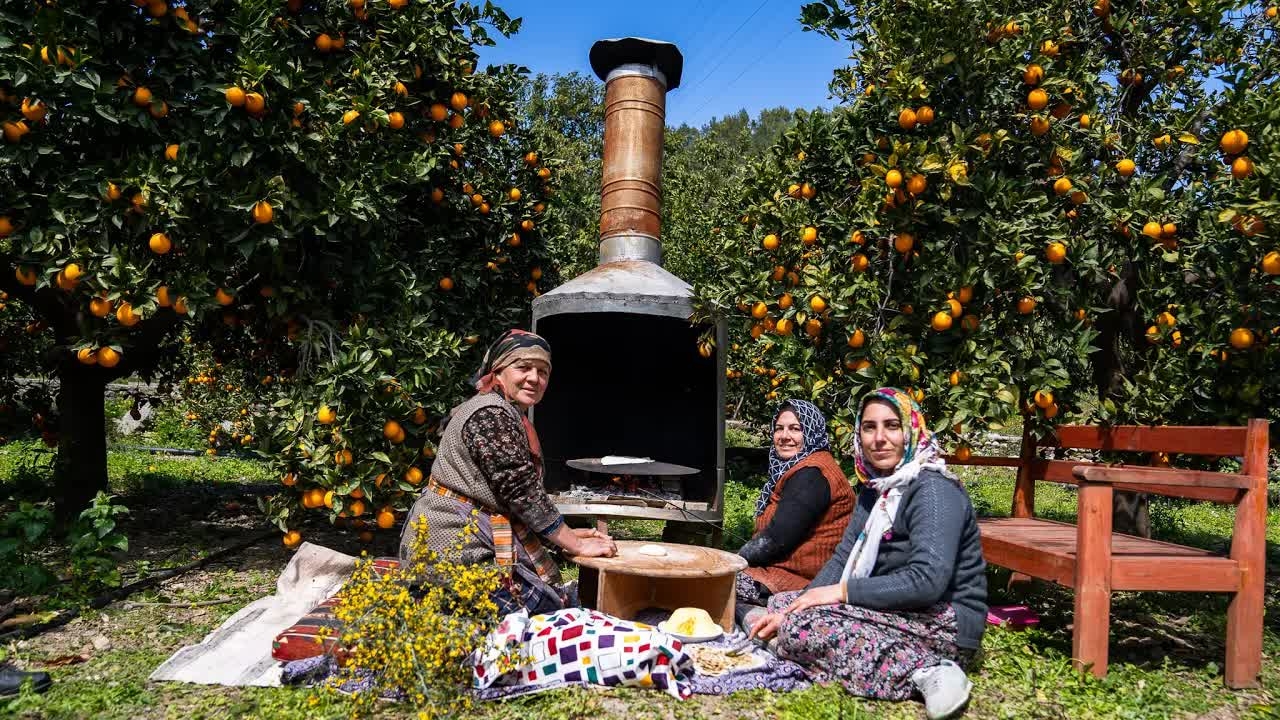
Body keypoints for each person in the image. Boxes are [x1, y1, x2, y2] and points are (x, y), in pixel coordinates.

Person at [749, 388, 987, 720]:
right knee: (783, 606)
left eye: (891, 426)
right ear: (859, 434)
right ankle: (808, 643)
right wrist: (797, 603)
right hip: (904, 611)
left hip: (942, 623)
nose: (879, 438)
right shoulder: (874, 490)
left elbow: (927, 581)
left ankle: (929, 669)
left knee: (800, 626)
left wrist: (838, 593)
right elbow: (843, 557)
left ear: (910, 430)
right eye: (869, 427)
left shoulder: (932, 489)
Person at [399, 329, 616, 615]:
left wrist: (565, 533)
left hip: (462, 544)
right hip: (454, 551)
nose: (534, 378)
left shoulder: (500, 410)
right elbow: (521, 493)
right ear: (498, 371)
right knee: (548, 615)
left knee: (553, 608)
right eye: (523, 367)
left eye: (543, 371)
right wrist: (574, 543)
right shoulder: (490, 414)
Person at [734, 399, 855, 631]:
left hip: (797, 581)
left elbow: (776, 540)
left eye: (795, 428)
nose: (784, 436)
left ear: (811, 432)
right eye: (779, 428)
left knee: (708, 581)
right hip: (778, 571)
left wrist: (733, 561)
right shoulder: (801, 467)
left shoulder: (812, 474)